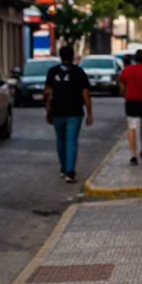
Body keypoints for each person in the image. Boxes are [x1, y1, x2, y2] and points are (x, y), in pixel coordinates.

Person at [44, 45, 93, 183]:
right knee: (71, 140)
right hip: (75, 112)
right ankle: (70, 171)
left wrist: (47, 110)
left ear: (60, 57)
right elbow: (86, 94)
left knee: (61, 139)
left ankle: (64, 167)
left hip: (57, 111)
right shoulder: (79, 72)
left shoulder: (52, 72)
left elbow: (47, 93)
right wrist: (89, 113)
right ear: (73, 57)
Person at [119, 48, 142, 165]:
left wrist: (124, 95)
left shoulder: (126, 70)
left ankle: (132, 155)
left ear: (134, 58)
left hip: (131, 102)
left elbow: (122, 87)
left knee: (132, 127)